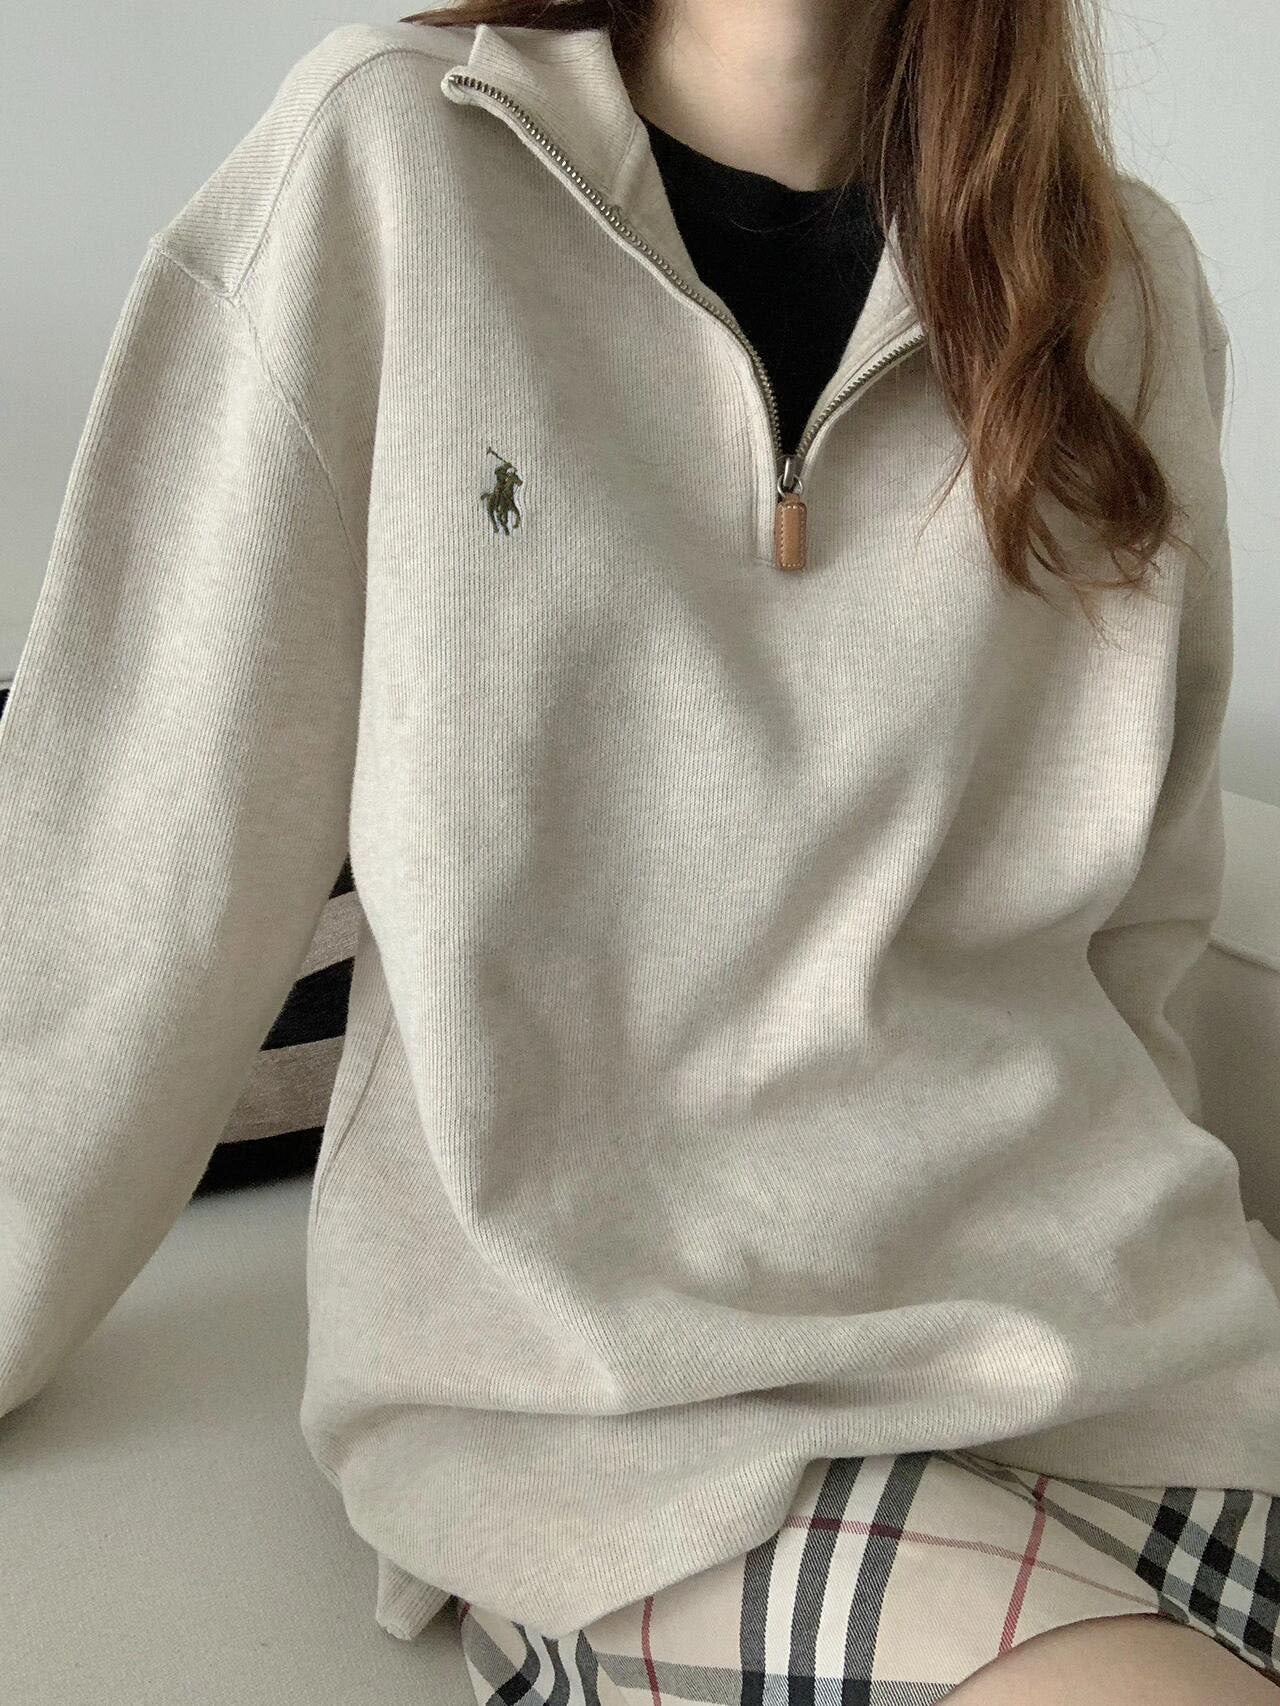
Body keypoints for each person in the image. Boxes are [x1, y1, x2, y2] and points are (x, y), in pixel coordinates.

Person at [0, 3, 1277, 1701]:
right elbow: (131, 877)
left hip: (1147, 1370)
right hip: (655, 1435)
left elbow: (1138, 942)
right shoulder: (393, 174)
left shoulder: (1116, 289)